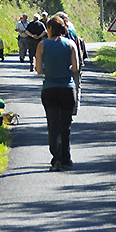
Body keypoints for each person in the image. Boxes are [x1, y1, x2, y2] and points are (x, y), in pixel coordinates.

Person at [35, 14, 80, 171]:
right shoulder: (71, 44)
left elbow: (39, 69)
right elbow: (76, 68)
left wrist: (51, 71)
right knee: (65, 125)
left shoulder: (42, 45)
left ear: (50, 29)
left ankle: (56, 159)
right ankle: (66, 157)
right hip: (67, 89)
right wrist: (63, 70)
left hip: (49, 89)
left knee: (52, 125)